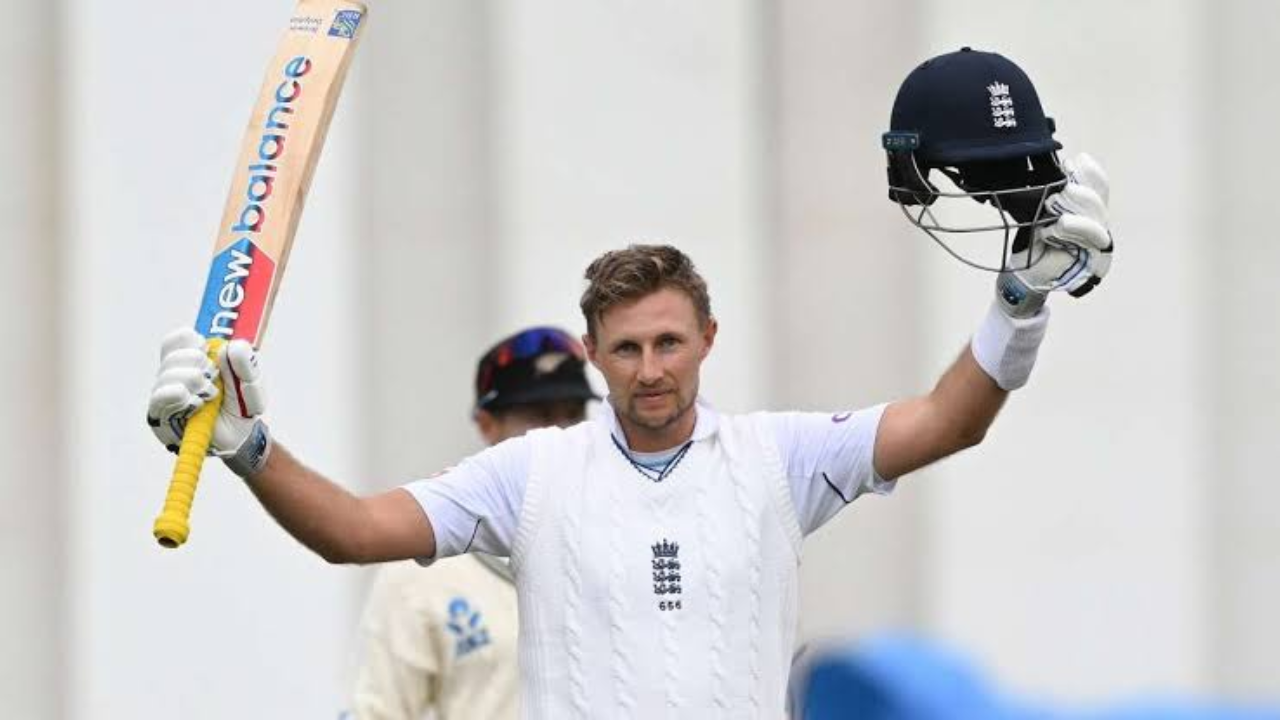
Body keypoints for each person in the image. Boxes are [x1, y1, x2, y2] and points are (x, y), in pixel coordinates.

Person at [147, 48, 1115, 718]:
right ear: (592, 353)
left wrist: (1015, 307)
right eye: (625, 349)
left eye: (666, 343)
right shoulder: (532, 472)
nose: (649, 370)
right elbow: (352, 533)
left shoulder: (777, 457)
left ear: (706, 340)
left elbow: (950, 421)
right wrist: (249, 451)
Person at [342, 327, 598, 720]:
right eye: (540, 416)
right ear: (487, 424)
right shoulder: (419, 574)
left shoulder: (622, 541)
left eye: (573, 415)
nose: (560, 435)